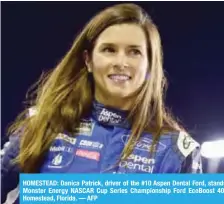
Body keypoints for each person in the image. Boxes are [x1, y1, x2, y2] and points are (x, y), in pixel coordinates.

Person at [1, 3, 202, 203]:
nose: (121, 62)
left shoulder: (175, 152)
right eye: (109, 50)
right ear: (88, 60)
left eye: (134, 52)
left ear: (150, 63)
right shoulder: (43, 125)